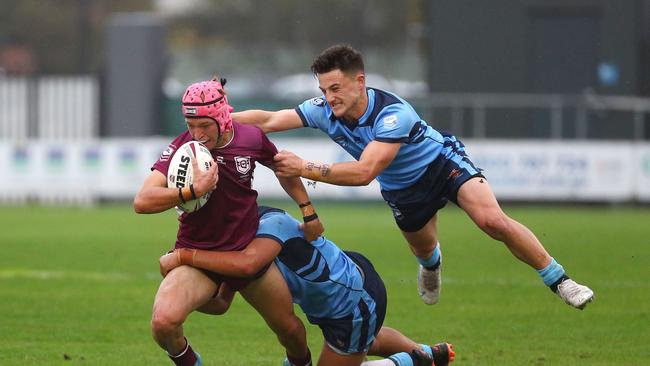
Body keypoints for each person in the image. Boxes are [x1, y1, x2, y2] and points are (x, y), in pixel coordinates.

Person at [231, 44, 594, 310]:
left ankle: (560, 280)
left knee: (491, 220)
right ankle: (431, 264)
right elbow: (268, 120)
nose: (328, 98)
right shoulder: (323, 109)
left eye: (336, 88)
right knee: (423, 248)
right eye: (323, 90)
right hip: (402, 188)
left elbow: (364, 172)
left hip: (441, 163)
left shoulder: (393, 114)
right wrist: (222, 117)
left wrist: (304, 167)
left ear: (360, 82)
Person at [133, 77, 324, 366]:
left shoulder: (250, 138)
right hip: (199, 256)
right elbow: (142, 201)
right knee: (163, 323)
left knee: (292, 332)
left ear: (222, 118)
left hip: (246, 253)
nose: (197, 134)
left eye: (205, 125)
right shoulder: (182, 149)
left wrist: (308, 210)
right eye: (190, 125)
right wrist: (192, 191)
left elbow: (283, 169)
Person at [159, 206, 456, 366]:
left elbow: (249, 265)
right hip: (342, 296)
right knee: (366, 340)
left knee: (357, 339)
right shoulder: (228, 245)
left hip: (351, 301)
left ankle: (410, 362)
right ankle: (428, 354)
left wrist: (185, 257)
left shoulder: (268, 224)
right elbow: (222, 303)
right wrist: (187, 299)